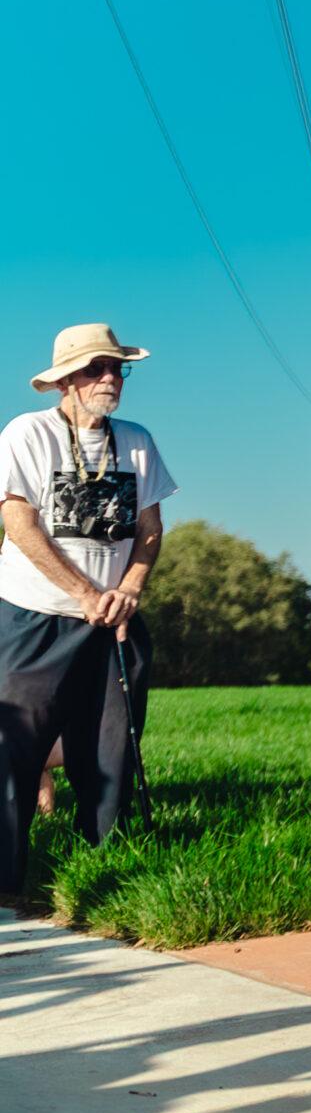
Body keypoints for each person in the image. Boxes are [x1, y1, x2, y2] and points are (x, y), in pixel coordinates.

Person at [0, 325, 172, 902]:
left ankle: (106, 879)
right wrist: (82, 592)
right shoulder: (28, 432)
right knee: (14, 750)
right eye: (97, 370)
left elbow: (150, 531)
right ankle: (6, 883)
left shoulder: (138, 440)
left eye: (118, 369)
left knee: (111, 749)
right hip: (36, 617)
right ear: (65, 380)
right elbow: (19, 524)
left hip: (114, 621)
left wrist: (130, 589)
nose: (111, 380)